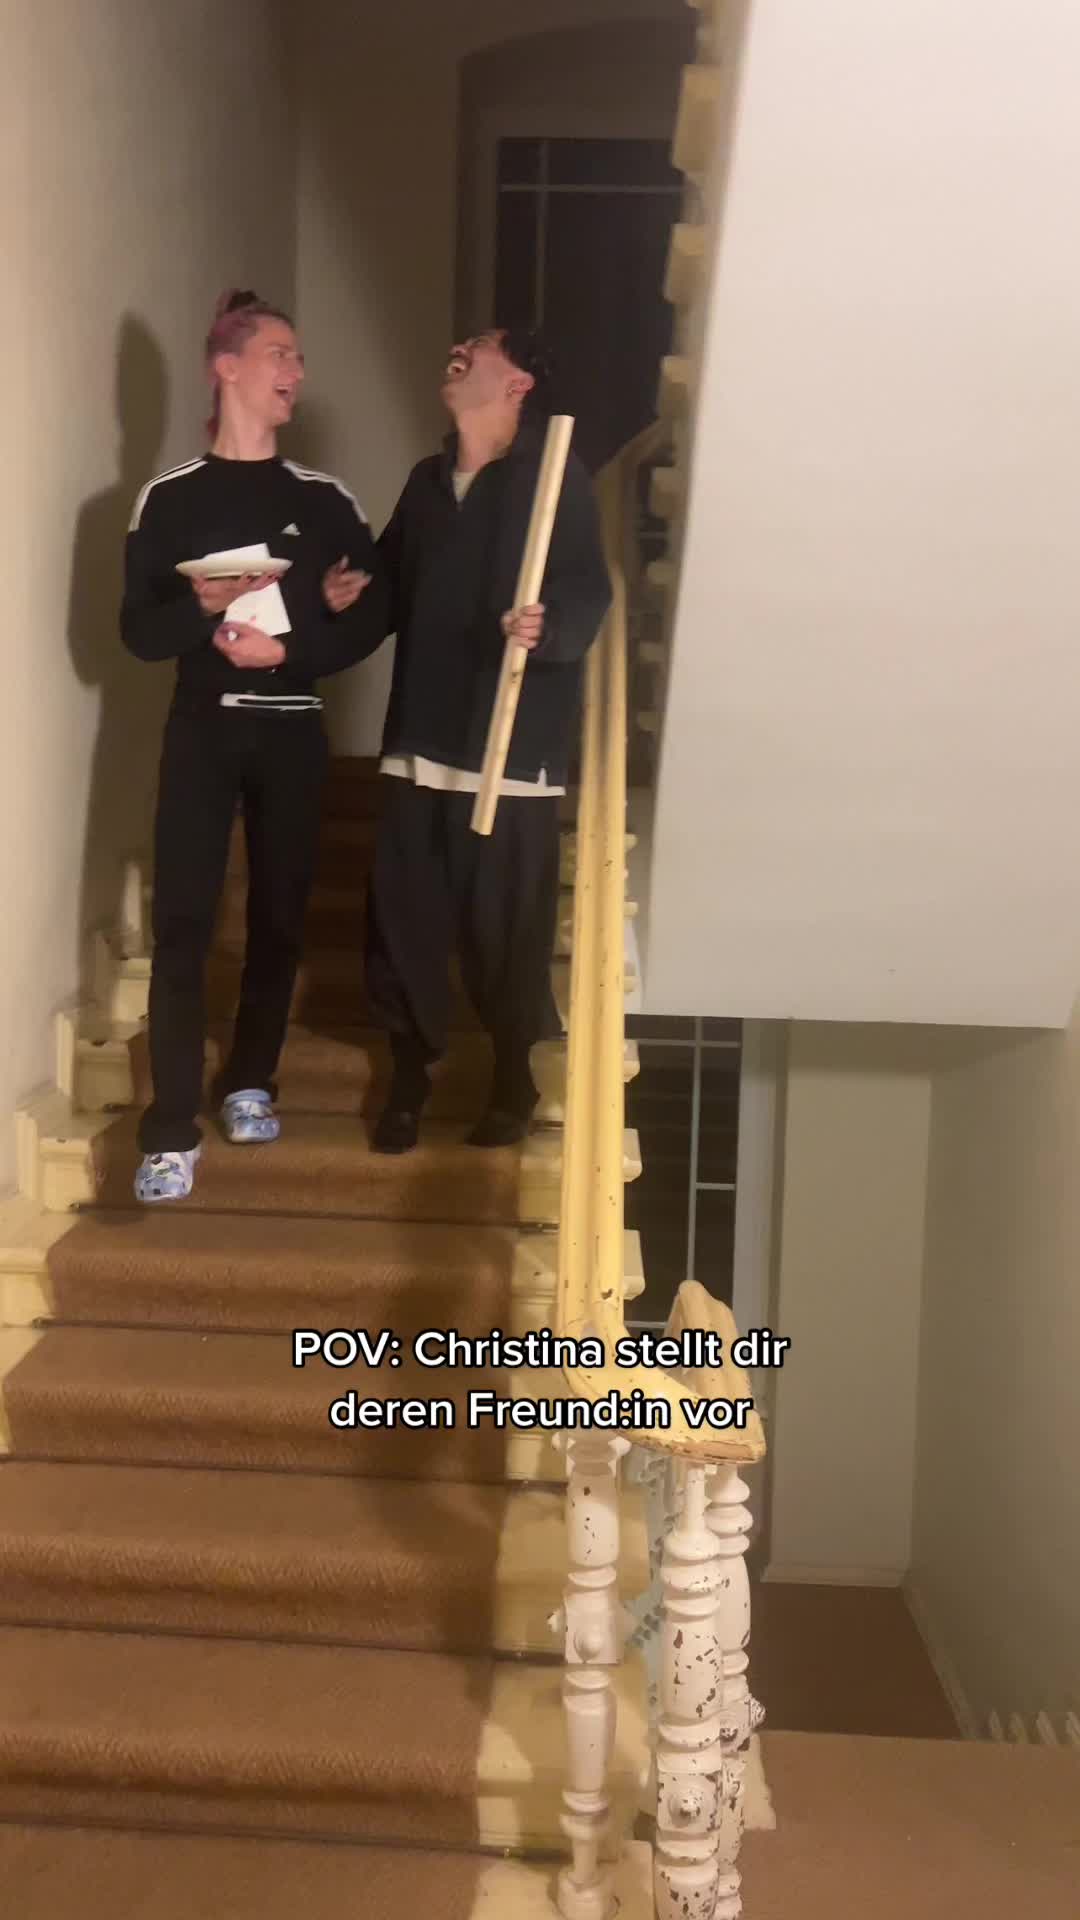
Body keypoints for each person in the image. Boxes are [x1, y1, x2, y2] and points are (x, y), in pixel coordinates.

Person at [122, 289, 387, 1202]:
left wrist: (295, 648)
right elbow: (136, 632)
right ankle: (168, 1132)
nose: (297, 373)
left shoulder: (324, 501)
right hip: (201, 728)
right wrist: (198, 609)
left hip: (293, 732)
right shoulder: (168, 499)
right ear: (226, 366)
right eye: (281, 354)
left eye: (300, 358)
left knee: (279, 918)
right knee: (183, 925)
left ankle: (250, 1083)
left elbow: (373, 614)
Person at [365, 328, 611, 1153]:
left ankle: (513, 1078)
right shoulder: (426, 482)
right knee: (402, 926)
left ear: (518, 384)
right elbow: (387, 588)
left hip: (509, 754)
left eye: (480, 345)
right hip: (420, 742)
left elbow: (587, 588)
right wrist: (348, 591)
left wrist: (550, 626)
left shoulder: (555, 476)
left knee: (505, 935)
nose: (459, 348)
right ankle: (409, 1077)